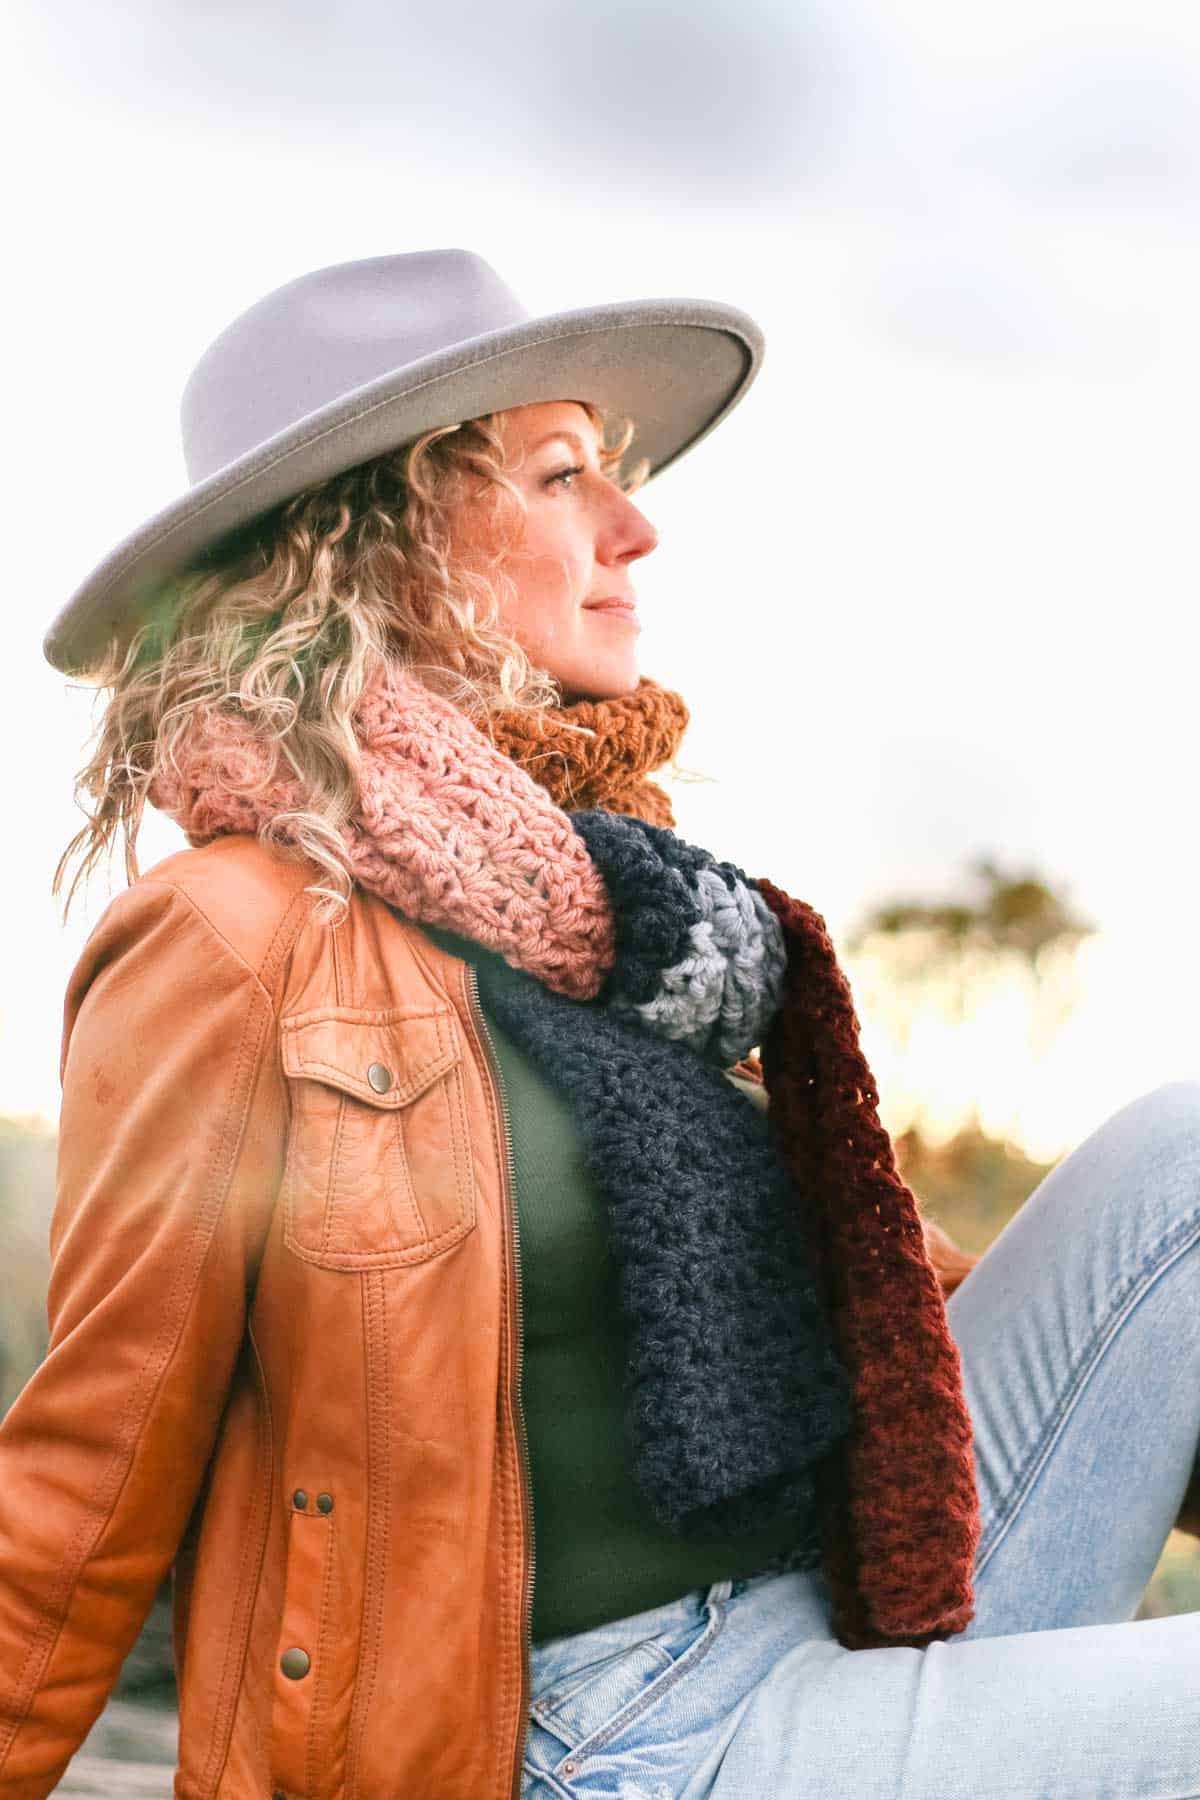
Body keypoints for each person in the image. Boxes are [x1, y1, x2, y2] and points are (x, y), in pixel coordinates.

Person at [0, 249, 1197, 1800]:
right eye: (565, 475)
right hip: (601, 1729)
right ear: (380, 539)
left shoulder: (614, 908)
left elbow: (864, 1309)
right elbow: (94, 1454)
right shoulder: (225, 942)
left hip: (833, 1604)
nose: (637, 527)